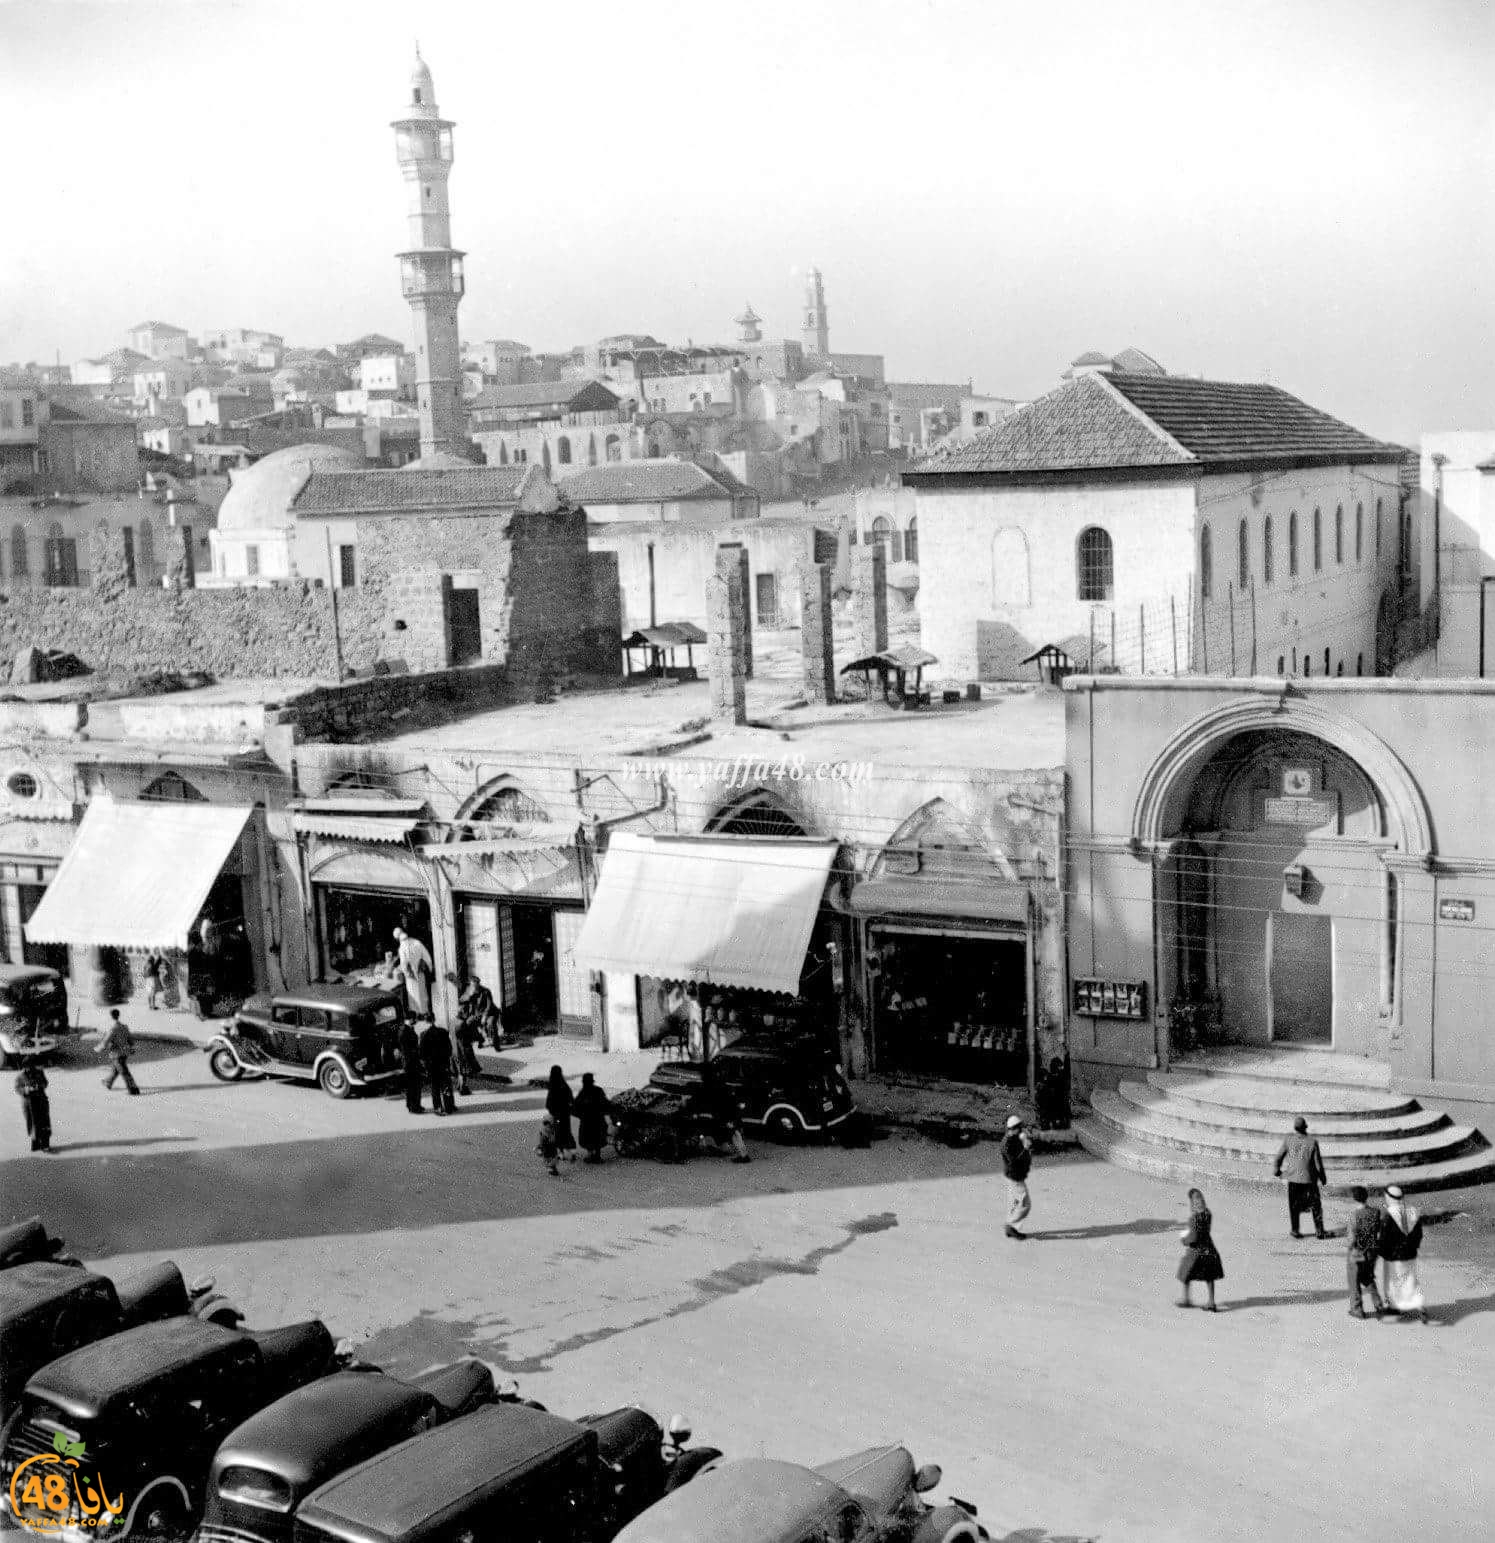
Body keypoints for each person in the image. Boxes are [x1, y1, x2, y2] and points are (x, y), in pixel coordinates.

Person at [1272, 1115, 1329, 1239]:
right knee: (1316, 1206)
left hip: (1293, 1178)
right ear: (1305, 1128)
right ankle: (1319, 1231)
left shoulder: (1288, 1140)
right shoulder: (1312, 1142)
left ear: (1295, 1128)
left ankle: (1295, 1230)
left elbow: (1278, 1157)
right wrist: (1323, 1177)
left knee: (1293, 1206)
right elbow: (1318, 1163)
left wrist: (1277, 1171)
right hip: (1309, 1179)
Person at [1380, 1184, 1430, 1324]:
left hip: (1394, 1256)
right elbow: (1419, 1234)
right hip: (1410, 1254)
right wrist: (1414, 1247)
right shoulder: (1413, 1211)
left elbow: (1385, 1238)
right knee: (1411, 1280)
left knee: (1393, 1282)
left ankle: (1394, 1307)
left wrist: (1382, 1252)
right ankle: (1420, 1306)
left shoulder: (1389, 1214)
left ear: (1389, 1198)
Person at [1175, 1188, 1224, 1311]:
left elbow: (1193, 1237)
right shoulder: (1208, 1214)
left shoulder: (1193, 1219)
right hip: (1209, 1249)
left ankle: (1186, 1299)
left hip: (1195, 1252)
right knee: (1209, 1276)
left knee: (1185, 1273)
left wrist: (1184, 1240)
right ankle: (1211, 1302)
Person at [1346, 1185, 1387, 1319]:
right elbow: (1379, 1229)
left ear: (1354, 1198)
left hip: (1358, 1252)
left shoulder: (1354, 1215)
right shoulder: (1375, 1212)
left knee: (1354, 1279)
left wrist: (1350, 1248)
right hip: (1372, 1251)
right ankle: (1378, 1304)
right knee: (1368, 1277)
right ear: (1366, 1197)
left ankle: (1357, 1309)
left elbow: (1352, 1238)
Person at [1000, 1114, 1034, 1240]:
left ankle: (1011, 1228)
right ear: (1013, 1128)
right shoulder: (1006, 1145)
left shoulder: (1013, 1137)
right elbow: (1015, 1161)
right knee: (1025, 1204)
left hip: (1016, 1175)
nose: (1021, 1130)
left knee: (1014, 1202)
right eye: (1019, 1128)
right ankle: (1010, 1226)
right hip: (1015, 1177)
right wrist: (1025, 1149)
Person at [394, 928, 434, 1019]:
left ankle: (417, 1014)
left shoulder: (402, 947)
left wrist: (406, 972)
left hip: (411, 976)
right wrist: (429, 967)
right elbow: (426, 956)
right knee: (422, 992)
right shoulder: (416, 942)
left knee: (413, 994)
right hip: (420, 972)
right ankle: (425, 1012)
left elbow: (404, 963)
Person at [418, 1017, 456, 1116]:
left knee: (435, 1087)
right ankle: (449, 1106)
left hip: (431, 1065)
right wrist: (448, 1060)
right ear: (434, 1020)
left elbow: (421, 1053)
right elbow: (449, 1048)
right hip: (443, 1063)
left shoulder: (423, 1034)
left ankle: (438, 1107)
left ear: (426, 1022)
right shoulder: (443, 1032)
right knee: (446, 1085)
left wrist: (425, 1066)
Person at [98, 1009, 140, 1094]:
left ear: (111, 1016)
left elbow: (106, 1041)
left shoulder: (113, 1028)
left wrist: (99, 1048)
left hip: (116, 1053)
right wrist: (131, 1047)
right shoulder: (124, 1027)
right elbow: (130, 1039)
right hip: (124, 1053)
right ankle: (108, 1082)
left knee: (124, 1072)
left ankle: (133, 1089)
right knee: (116, 1069)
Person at [15, 1063, 52, 1153]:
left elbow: (45, 1083)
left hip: (41, 1101)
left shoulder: (39, 1072)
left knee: (44, 1122)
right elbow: (17, 1088)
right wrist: (26, 1089)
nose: (29, 1068)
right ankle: (35, 1143)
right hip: (28, 1103)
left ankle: (45, 1145)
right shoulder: (20, 1076)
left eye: (31, 1066)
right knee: (32, 1123)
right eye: (27, 1067)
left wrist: (38, 1086)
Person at [574, 1071, 610, 1163]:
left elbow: (575, 1107)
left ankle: (592, 1155)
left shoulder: (584, 1092)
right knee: (596, 1138)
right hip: (596, 1120)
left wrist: (580, 1115)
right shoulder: (597, 1090)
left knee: (589, 1138)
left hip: (588, 1121)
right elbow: (605, 1103)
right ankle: (596, 1156)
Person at [546, 1066, 577, 1161]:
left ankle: (561, 1153)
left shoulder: (553, 1086)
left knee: (558, 1133)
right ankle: (572, 1151)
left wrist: (552, 1111)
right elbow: (571, 1098)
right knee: (567, 1131)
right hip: (565, 1113)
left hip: (557, 1115)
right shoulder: (564, 1085)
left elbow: (549, 1103)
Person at [398, 1017, 424, 1114]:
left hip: (410, 1061)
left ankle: (413, 1105)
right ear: (409, 1019)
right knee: (414, 1085)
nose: (415, 1021)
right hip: (410, 1062)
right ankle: (414, 1107)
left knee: (412, 1085)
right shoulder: (405, 1030)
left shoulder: (405, 1029)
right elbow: (407, 1048)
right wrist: (416, 1052)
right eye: (414, 1019)